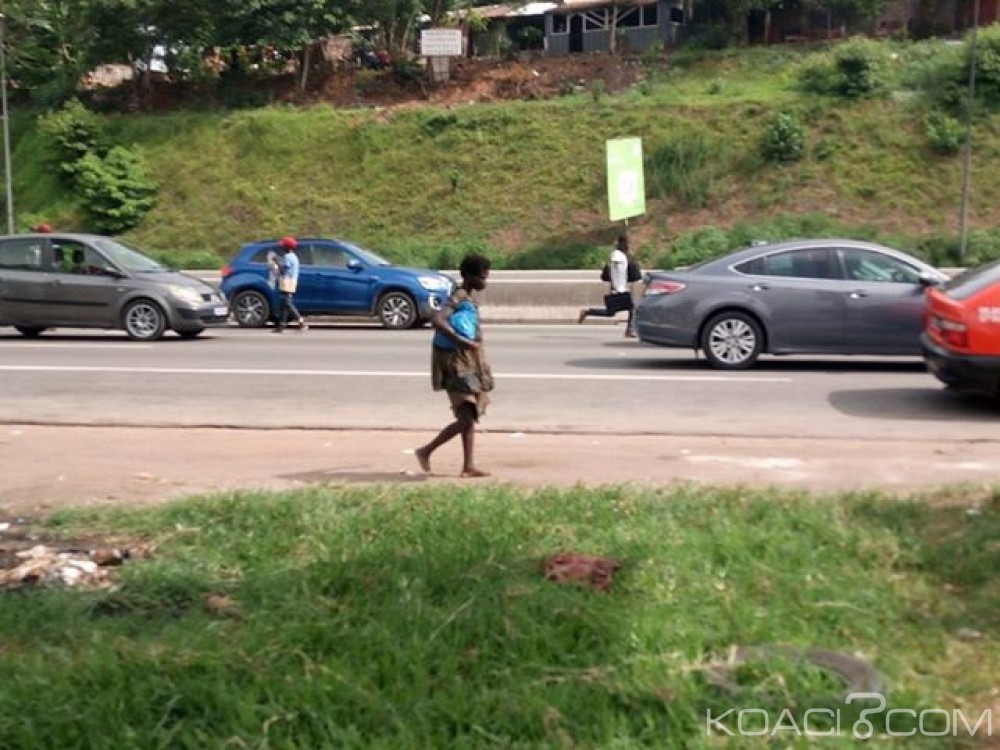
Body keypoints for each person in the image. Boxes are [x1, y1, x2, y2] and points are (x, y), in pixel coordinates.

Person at [415, 253, 494, 478]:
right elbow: (438, 320)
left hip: (466, 361)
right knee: (467, 416)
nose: (485, 282)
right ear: (469, 276)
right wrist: (460, 340)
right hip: (455, 362)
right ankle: (426, 451)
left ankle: (468, 466)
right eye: (482, 277)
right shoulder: (458, 297)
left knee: (468, 414)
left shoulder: (467, 297)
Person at [577, 235, 641, 338]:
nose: (628, 246)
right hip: (618, 290)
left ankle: (587, 312)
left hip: (619, 289)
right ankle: (629, 330)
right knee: (632, 308)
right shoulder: (618, 255)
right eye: (626, 243)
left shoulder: (622, 256)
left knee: (610, 313)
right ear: (621, 244)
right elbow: (615, 266)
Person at [272, 236, 308, 333]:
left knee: (287, 303)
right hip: (291, 281)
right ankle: (281, 326)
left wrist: (276, 261)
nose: (282, 248)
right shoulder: (293, 256)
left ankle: (301, 322)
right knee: (284, 305)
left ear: (287, 247)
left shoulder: (288, 257)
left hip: (287, 282)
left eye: (283, 246)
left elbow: (284, 270)